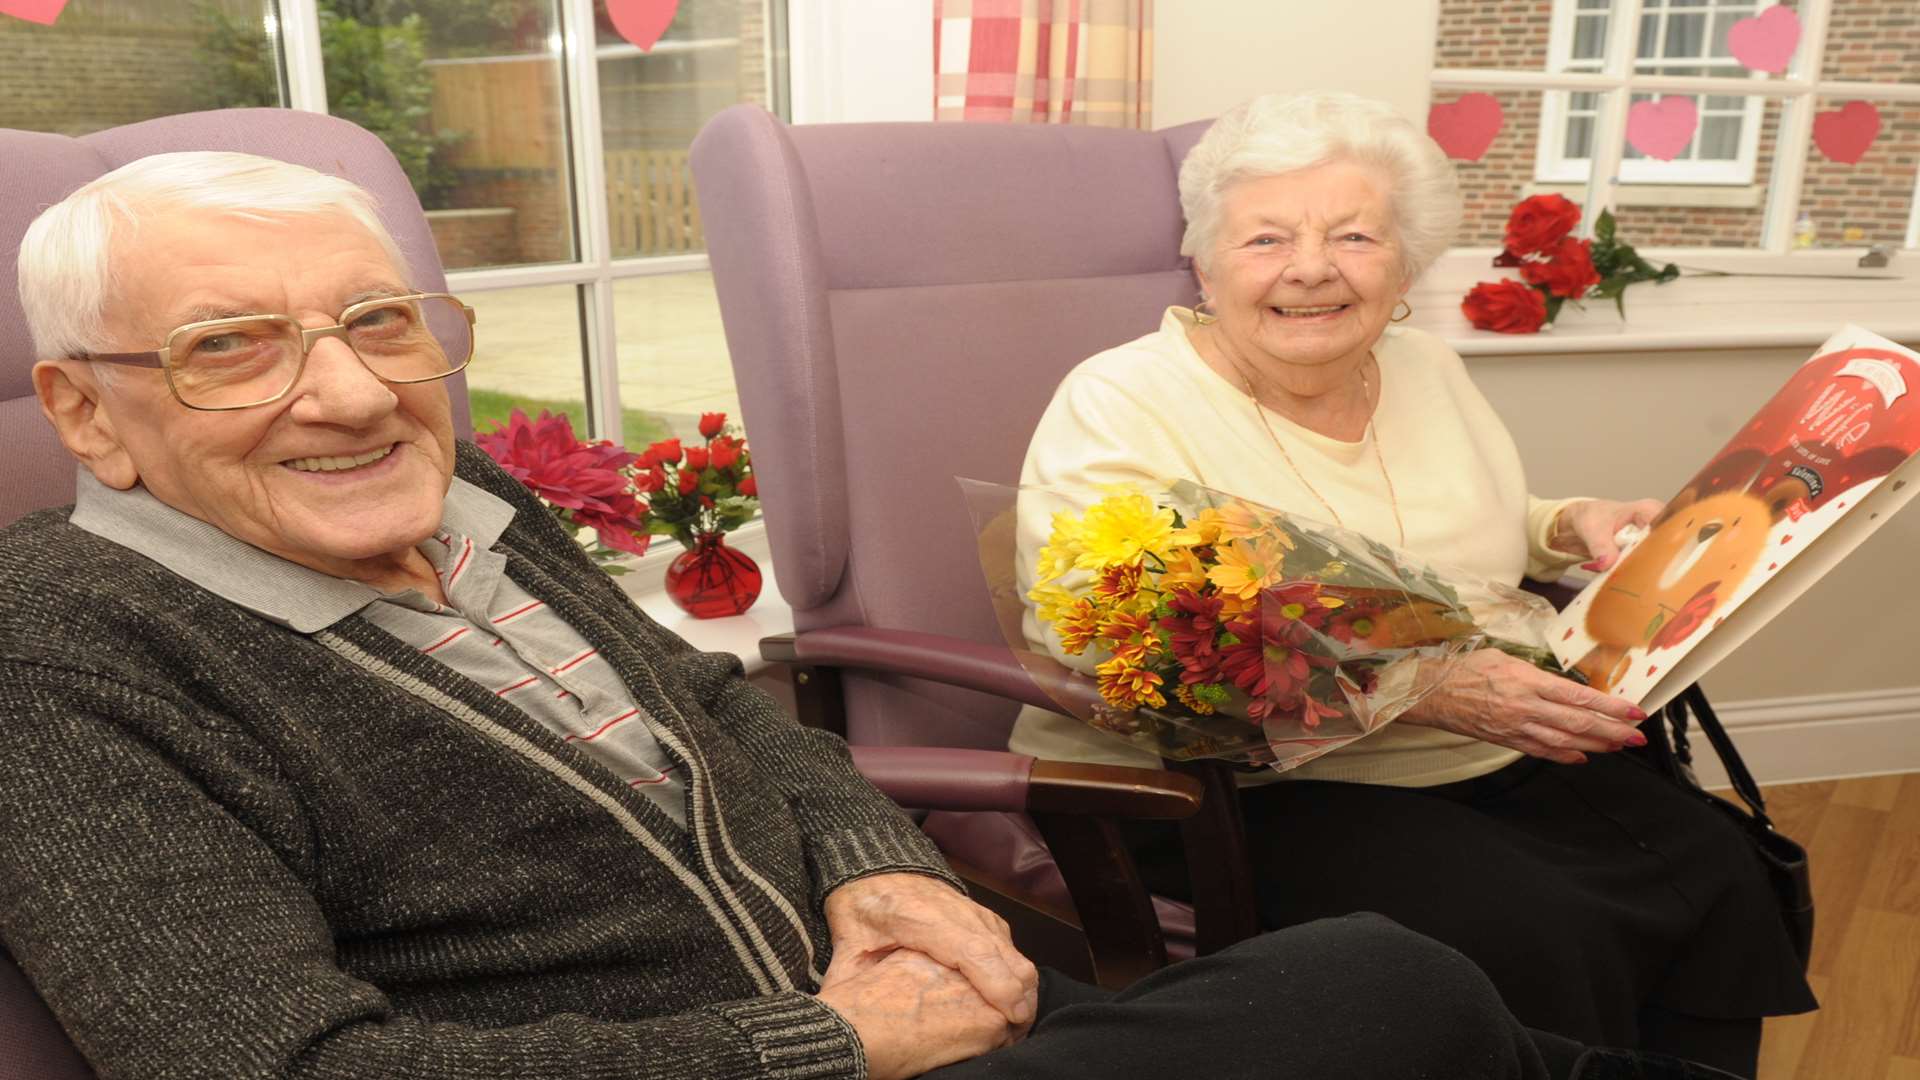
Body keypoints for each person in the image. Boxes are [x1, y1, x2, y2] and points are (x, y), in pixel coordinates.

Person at [0, 149, 1724, 1080]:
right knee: (1380, 988)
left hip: (885, 1006)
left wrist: (875, 861)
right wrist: (814, 1038)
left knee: (1418, 990)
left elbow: (720, 706)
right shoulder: (65, 652)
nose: (353, 395)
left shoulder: (473, 513)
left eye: (385, 324)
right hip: (785, 1060)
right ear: (86, 413)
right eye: (233, 347)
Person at [1010, 92, 1816, 1077]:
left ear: (1406, 266)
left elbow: (1464, 520)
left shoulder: (1423, 363)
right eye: (1267, 238)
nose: (1311, 267)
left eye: (1354, 235)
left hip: (1472, 746)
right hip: (1238, 783)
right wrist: (1424, 684)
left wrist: (1568, 526)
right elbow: (1097, 625)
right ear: (1207, 263)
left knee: (1715, 871)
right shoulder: (1122, 398)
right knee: (1530, 928)